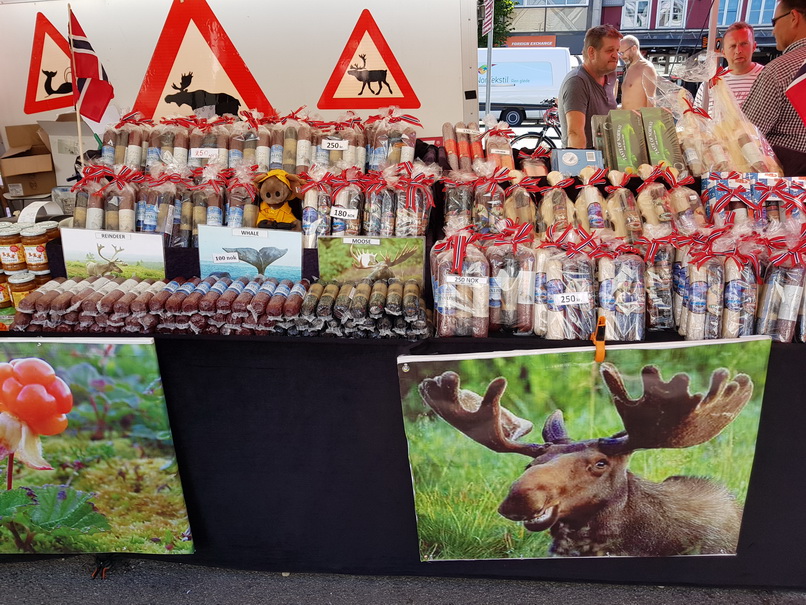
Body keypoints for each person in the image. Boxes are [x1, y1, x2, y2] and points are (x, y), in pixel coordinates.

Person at [742, 0, 806, 176]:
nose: (773, 30)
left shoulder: (780, 69)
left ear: (794, 17)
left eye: (774, 21)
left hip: (787, 181)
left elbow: (747, 132)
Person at [558, 24, 621, 148]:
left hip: (607, 160)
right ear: (591, 52)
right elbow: (575, 133)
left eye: (617, 50)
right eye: (609, 50)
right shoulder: (577, 81)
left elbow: (605, 111)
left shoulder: (610, 76)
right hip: (588, 162)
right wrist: (583, 166)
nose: (616, 55)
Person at [694, 22, 763, 112]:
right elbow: (696, 120)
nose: (738, 51)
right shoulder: (710, 83)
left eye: (744, 44)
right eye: (732, 46)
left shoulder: (767, 78)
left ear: (754, 46)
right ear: (723, 52)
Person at [618, 35, 657, 109]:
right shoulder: (629, 67)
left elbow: (651, 100)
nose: (621, 56)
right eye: (619, 53)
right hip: (625, 118)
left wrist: (651, 120)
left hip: (639, 119)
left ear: (634, 48)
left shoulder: (647, 67)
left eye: (622, 53)